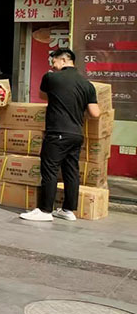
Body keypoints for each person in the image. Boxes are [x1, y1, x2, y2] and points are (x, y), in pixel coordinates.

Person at [20, 48, 101, 223]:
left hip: (57, 132)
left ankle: (45, 210)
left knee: (49, 170)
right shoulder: (87, 84)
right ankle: (68, 210)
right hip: (76, 134)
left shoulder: (51, 78)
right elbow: (95, 113)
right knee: (71, 171)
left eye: (54, 61)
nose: (52, 65)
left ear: (63, 60)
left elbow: (43, 95)